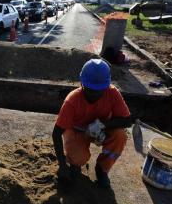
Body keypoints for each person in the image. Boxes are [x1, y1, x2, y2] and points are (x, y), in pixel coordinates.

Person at [52, 59, 132, 188]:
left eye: (99, 90)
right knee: (78, 157)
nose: (94, 95)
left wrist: (102, 124)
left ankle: (102, 169)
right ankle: (74, 164)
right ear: (82, 83)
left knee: (120, 136)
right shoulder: (72, 100)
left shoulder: (112, 93)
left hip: (100, 129)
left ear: (106, 86)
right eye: (90, 90)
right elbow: (56, 133)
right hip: (77, 130)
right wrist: (62, 165)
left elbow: (127, 120)